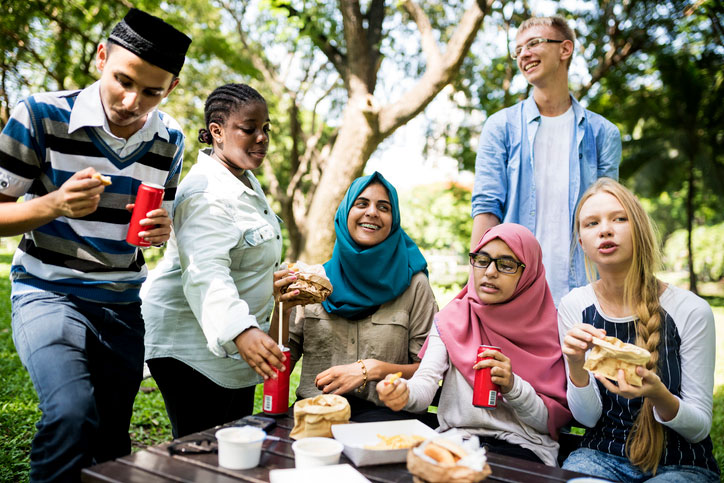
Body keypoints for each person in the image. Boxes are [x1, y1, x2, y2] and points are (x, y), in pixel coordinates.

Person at [0, 8, 191, 481]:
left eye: (151, 90)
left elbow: (153, 221)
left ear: (171, 87)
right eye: (122, 80)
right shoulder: (40, 116)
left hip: (123, 303)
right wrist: (54, 205)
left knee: (111, 439)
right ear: (101, 57)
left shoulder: (169, 140)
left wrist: (160, 230)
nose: (131, 100)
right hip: (49, 291)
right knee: (69, 411)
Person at [142, 83, 298, 438]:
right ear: (217, 131)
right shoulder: (205, 193)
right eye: (249, 128)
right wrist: (241, 330)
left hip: (234, 352)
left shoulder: (243, 180)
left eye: (266, 129)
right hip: (190, 351)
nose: (262, 138)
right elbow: (205, 272)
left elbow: (239, 257)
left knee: (234, 448)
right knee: (204, 454)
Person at [558, 178, 719, 481]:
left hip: (680, 463)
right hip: (601, 456)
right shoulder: (575, 306)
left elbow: (698, 428)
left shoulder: (690, 310)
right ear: (582, 242)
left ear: (640, 229)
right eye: (591, 223)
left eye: (619, 218)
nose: (605, 229)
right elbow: (588, 418)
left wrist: (658, 393)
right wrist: (575, 365)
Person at [377, 223, 571, 466]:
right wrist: (403, 393)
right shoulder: (452, 319)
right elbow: (424, 384)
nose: (490, 272)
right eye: (482, 259)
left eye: (506, 264)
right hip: (456, 445)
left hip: (523, 451)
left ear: (528, 274)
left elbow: (547, 423)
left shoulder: (552, 330)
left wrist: (512, 386)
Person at [470, 15, 621, 306]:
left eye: (534, 43)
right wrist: (474, 290)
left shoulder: (604, 133)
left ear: (565, 50)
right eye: (518, 50)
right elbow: (487, 210)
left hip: (585, 291)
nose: (523, 54)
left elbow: (609, 216)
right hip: (514, 288)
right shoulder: (501, 127)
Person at [287, 171, 438, 423]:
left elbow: (429, 370)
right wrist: (281, 310)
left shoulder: (415, 286)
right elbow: (277, 368)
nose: (372, 212)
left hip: (388, 423)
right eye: (361, 203)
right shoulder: (312, 281)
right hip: (314, 418)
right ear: (345, 212)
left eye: (384, 207)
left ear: (394, 220)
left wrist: (373, 369)